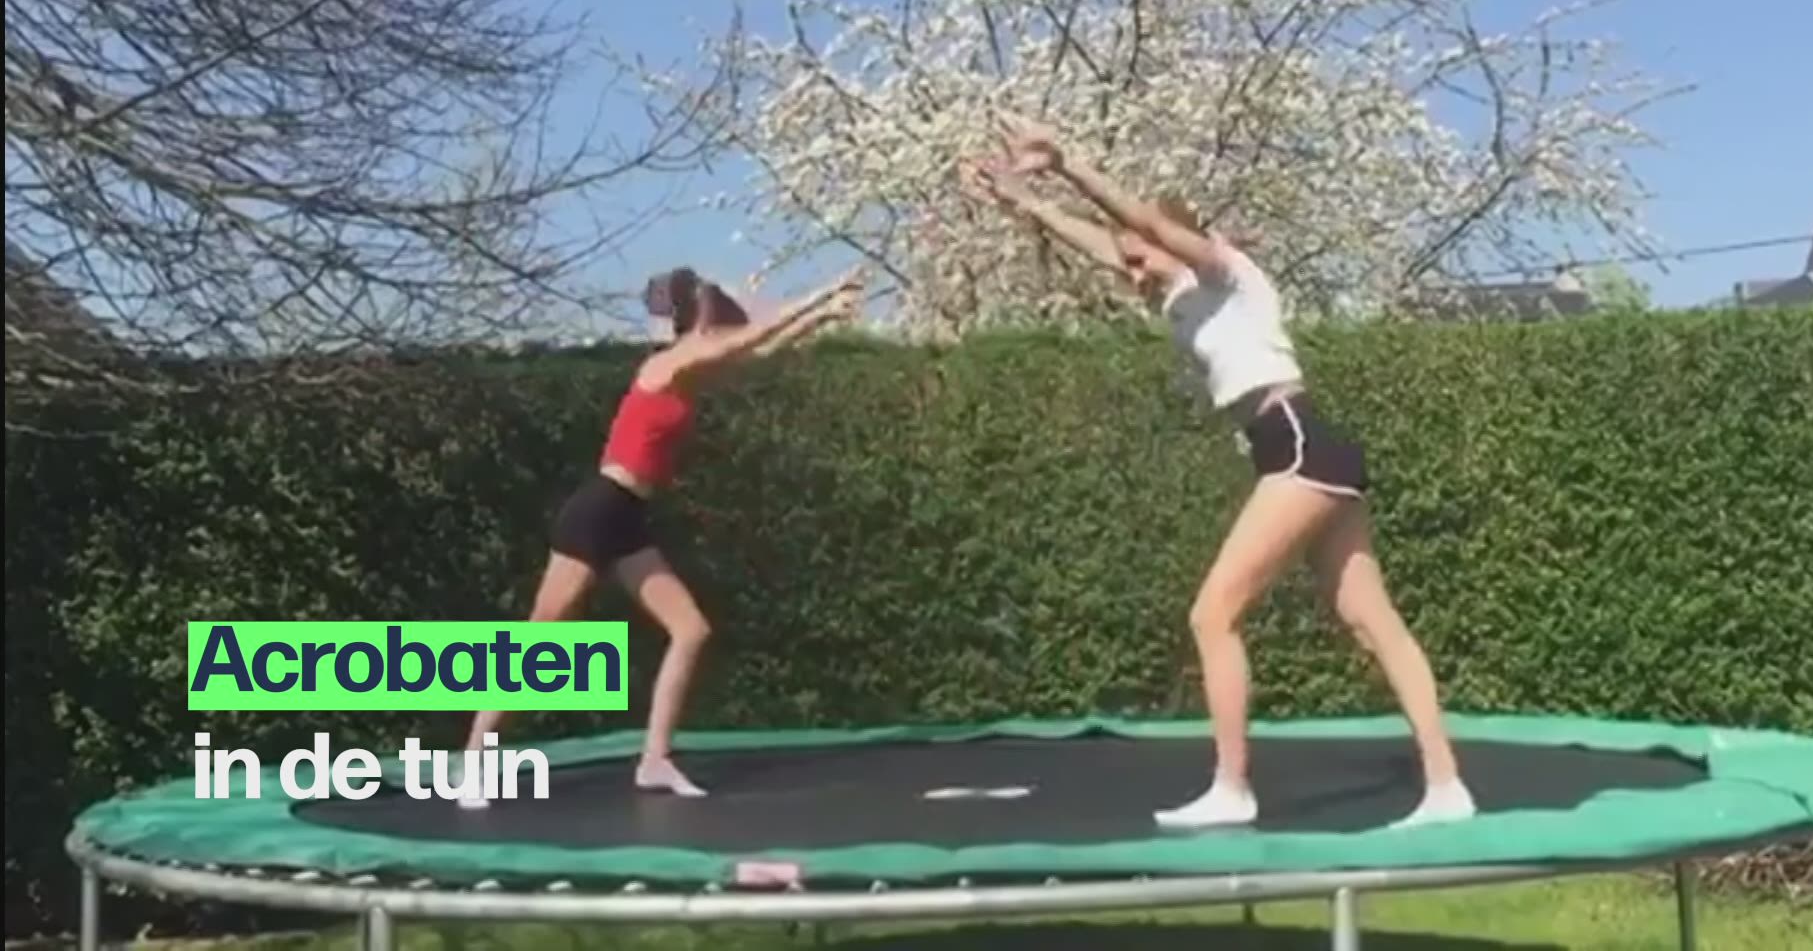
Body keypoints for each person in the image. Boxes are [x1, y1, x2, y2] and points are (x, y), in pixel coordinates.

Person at [959, 117, 1475, 830]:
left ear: (1175, 241)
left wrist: (1069, 163)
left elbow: (1142, 223)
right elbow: (1105, 243)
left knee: (1213, 614)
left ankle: (1233, 788)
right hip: (1305, 451)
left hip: (1297, 445)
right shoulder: (1180, 300)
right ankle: (1446, 785)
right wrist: (1024, 199)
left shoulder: (1228, 274)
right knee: (1370, 621)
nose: (1132, 273)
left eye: (1141, 259)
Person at [456, 266, 865, 807]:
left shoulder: (690, 368)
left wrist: (824, 316)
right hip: (597, 511)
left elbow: (759, 351)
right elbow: (751, 337)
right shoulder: (667, 363)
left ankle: (655, 759)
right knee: (540, 639)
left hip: (626, 517)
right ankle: (473, 762)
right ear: (693, 316)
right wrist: (821, 292)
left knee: (691, 630)